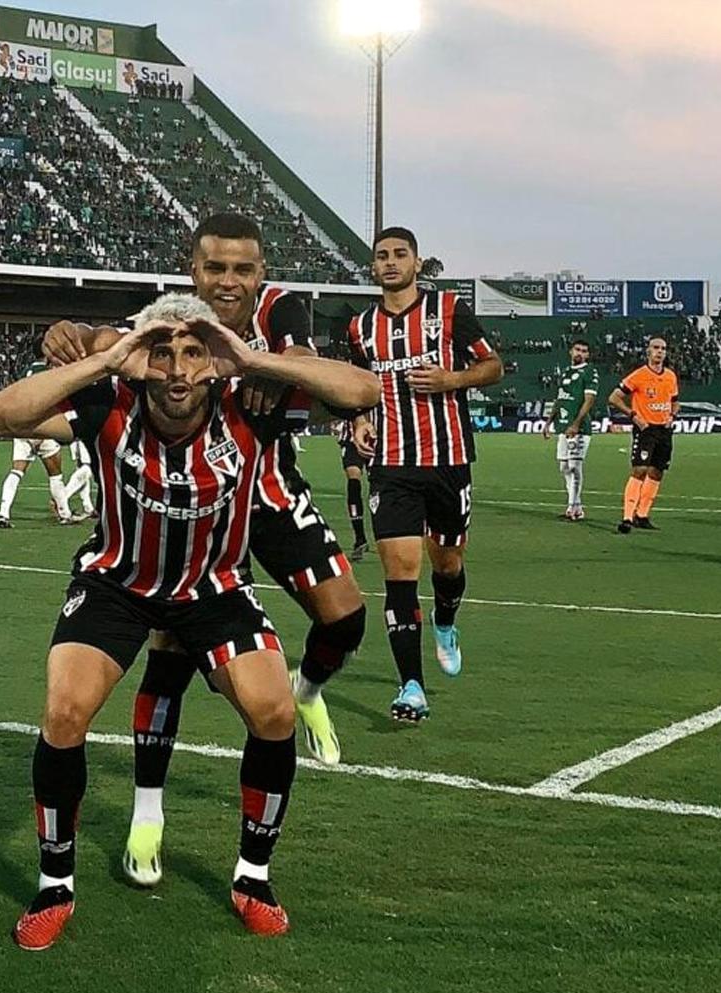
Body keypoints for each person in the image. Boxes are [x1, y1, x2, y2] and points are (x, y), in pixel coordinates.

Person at [0, 294, 379, 950]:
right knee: (64, 712)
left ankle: (252, 877)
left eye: (193, 352)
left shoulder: (249, 405)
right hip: (117, 583)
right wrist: (105, 361)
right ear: (143, 357)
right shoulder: (109, 403)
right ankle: (55, 885)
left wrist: (250, 358)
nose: (176, 369)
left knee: (274, 712)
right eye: (162, 352)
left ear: (213, 359)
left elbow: (360, 391)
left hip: (214, 590)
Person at [43, 213, 369, 891]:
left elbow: (339, 383)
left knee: (344, 614)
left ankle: (304, 692)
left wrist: (253, 363)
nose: (227, 282)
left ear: (261, 275)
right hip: (184, 502)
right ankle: (146, 815)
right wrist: (78, 333)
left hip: (264, 488)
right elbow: (111, 341)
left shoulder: (281, 314)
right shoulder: (172, 322)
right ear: (191, 271)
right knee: (168, 651)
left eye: (241, 270)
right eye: (213, 269)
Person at [348, 227, 504, 723]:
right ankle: (410, 685)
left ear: (417, 263)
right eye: (381, 257)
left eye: (400, 255)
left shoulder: (450, 310)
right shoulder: (359, 329)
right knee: (398, 574)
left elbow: (494, 366)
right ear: (372, 268)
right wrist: (360, 419)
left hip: (448, 459)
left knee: (448, 565)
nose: (390, 263)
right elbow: (358, 386)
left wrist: (451, 379)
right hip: (392, 466)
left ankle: (445, 619)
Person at [608, 336, 679, 533]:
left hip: (664, 430)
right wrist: (634, 416)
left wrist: (672, 415)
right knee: (639, 470)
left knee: (657, 472)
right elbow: (614, 397)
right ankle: (627, 517)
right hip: (645, 429)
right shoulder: (638, 375)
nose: (660, 351)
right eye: (656, 348)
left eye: (663, 348)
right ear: (648, 351)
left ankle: (642, 515)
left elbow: (675, 401)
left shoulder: (671, 376)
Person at [0, 358, 76, 528]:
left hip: (24, 428)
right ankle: (65, 514)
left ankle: (3, 513)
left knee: (16, 471)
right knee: (55, 475)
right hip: (44, 427)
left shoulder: (23, 373)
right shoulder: (50, 373)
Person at [541, 338, 600, 520]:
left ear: (587, 355)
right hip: (562, 427)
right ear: (571, 351)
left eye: (583, 351)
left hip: (579, 428)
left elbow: (589, 400)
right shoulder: (566, 372)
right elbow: (560, 399)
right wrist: (548, 422)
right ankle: (577, 505)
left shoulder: (589, 371)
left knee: (575, 466)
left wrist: (576, 423)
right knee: (564, 467)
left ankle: (572, 508)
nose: (579, 353)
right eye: (577, 350)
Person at [335, 418, 370, 558]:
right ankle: (360, 537)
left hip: (377, 439)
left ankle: (386, 535)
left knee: (379, 487)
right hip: (350, 441)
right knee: (353, 481)